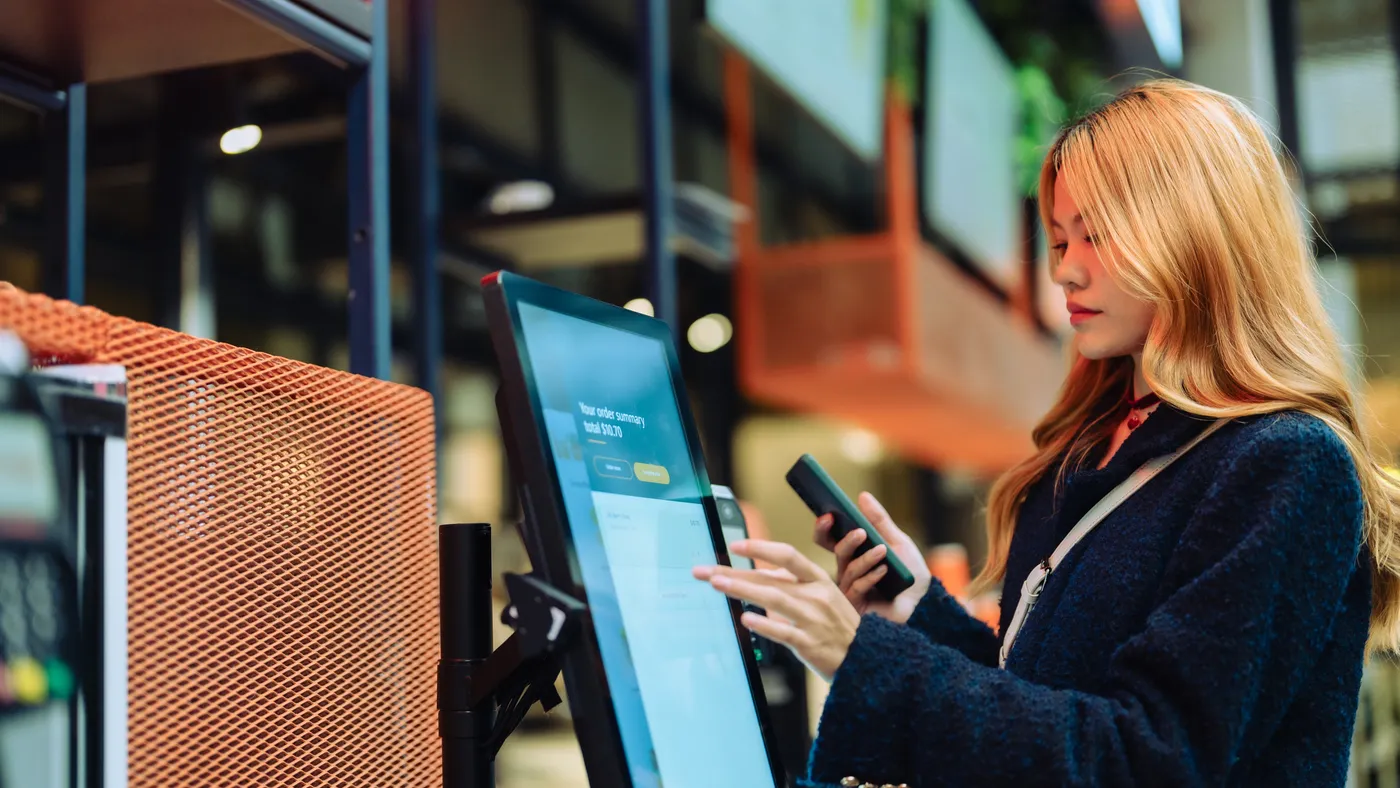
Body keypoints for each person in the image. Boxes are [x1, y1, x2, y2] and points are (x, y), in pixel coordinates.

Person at [694, 78, 1400, 787]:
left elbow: (1151, 758)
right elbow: (1044, 704)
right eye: (1061, 239)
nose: (1065, 269)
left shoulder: (1287, 465)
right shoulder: (1097, 446)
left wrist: (866, 661)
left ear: (1197, 235)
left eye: (1097, 235)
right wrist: (915, 615)